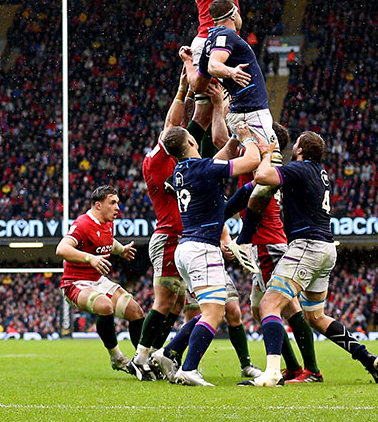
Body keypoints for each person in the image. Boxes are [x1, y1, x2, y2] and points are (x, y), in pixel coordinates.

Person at [242, 130, 378, 387]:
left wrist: (266, 153)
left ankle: (273, 372)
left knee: (269, 306)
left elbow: (262, 176)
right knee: (316, 317)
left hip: (306, 247)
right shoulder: (320, 173)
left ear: (299, 150)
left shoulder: (300, 169)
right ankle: (366, 357)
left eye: (294, 145)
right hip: (326, 249)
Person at [130, 68, 228, 378]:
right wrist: (183, 86)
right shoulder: (156, 160)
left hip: (181, 237)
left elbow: (194, 125)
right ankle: (140, 357)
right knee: (164, 300)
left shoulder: (181, 164)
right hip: (168, 235)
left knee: (174, 305)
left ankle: (159, 354)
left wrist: (210, 102)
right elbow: (174, 126)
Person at [156, 120, 263, 386]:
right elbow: (250, 162)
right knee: (215, 313)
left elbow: (217, 159)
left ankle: (169, 352)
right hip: (202, 248)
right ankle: (189, 369)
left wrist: (233, 141)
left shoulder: (182, 170)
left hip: (187, 249)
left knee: (210, 310)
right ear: (192, 142)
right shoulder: (203, 168)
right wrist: (247, 138)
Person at [226, 123, 324, 383]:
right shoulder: (270, 164)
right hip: (269, 240)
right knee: (260, 310)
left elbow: (246, 194)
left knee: (283, 307)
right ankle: (296, 367)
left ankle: (309, 370)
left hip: (266, 242)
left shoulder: (259, 163)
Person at [56, 185, 145, 377]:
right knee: (105, 305)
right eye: (112, 203)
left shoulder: (107, 222)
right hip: (76, 283)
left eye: (118, 203)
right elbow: (62, 249)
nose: (117, 208)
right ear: (98, 205)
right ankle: (117, 358)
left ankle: (142, 362)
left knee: (136, 311)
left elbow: (107, 242)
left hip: (98, 280)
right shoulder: (83, 224)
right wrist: (90, 258)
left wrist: (121, 250)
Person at [184, 0, 275, 147]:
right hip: (253, 112)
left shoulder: (209, 43)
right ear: (233, 15)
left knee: (243, 162)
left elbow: (197, 86)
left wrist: (188, 62)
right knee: (270, 158)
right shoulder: (226, 34)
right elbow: (214, 65)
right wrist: (231, 72)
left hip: (237, 112)